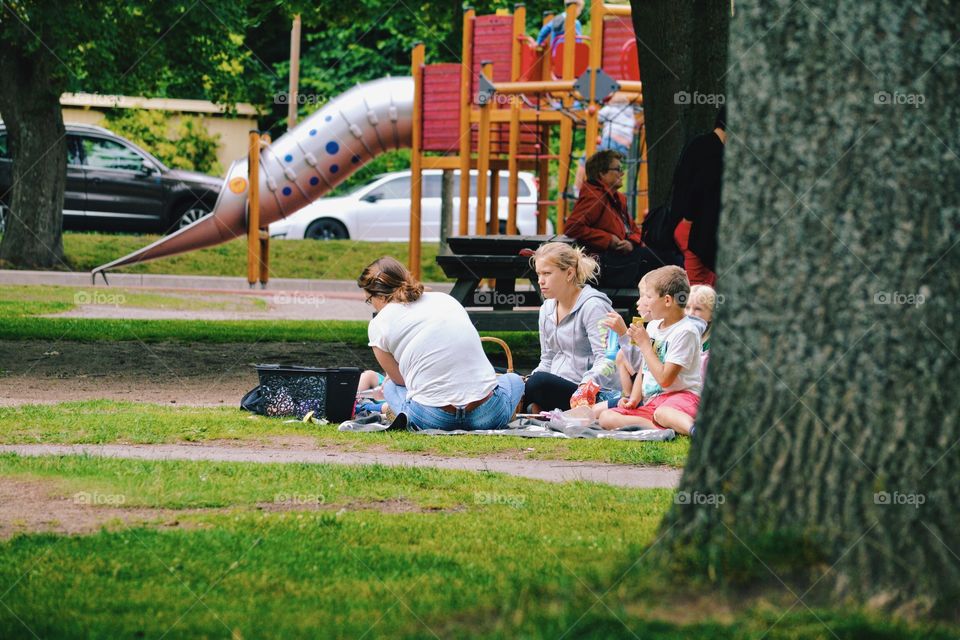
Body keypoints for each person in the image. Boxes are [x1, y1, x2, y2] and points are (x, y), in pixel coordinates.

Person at [358, 256, 524, 430]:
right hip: (487, 414)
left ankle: (376, 408)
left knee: (391, 386)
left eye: (370, 300)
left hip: (433, 419)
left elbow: (400, 382)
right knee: (513, 380)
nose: (373, 306)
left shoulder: (379, 324)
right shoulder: (446, 300)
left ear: (380, 295)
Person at [597, 265, 706, 435]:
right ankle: (659, 429)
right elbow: (644, 368)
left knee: (663, 413)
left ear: (667, 300)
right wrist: (634, 398)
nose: (645, 301)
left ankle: (695, 431)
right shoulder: (654, 326)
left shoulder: (686, 331)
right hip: (655, 401)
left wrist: (645, 345)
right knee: (606, 417)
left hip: (684, 398)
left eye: (649, 296)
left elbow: (665, 380)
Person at [523, 242, 619, 412]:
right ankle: (536, 405)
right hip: (556, 385)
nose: (540, 281)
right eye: (538, 274)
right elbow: (547, 358)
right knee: (509, 378)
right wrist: (529, 380)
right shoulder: (546, 308)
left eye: (547, 273)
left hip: (592, 391)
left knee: (538, 383)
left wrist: (585, 385)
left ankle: (536, 406)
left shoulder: (594, 306)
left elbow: (608, 359)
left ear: (569, 273)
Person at [565, 149, 655, 289]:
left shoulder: (617, 199)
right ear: (602, 173)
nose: (622, 173)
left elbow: (635, 231)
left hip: (619, 260)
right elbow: (573, 227)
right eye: (618, 169)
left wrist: (631, 243)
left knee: (662, 256)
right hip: (603, 265)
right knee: (654, 258)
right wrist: (608, 240)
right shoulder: (595, 197)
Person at [671, 106, 726, 287]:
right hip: (695, 230)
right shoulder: (714, 151)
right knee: (700, 288)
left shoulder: (699, 145)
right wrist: (688, 221)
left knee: (700, 285)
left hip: (691, 228)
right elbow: (699, 189)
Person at [574, 95, 639, 192]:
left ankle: (577, 188)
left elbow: (594, 116)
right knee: (609, 168)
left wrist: (587, 109)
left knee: (586, 159)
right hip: (624, 149)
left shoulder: (610, 108)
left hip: (610, 142)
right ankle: (605, 191)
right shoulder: (630, 113)